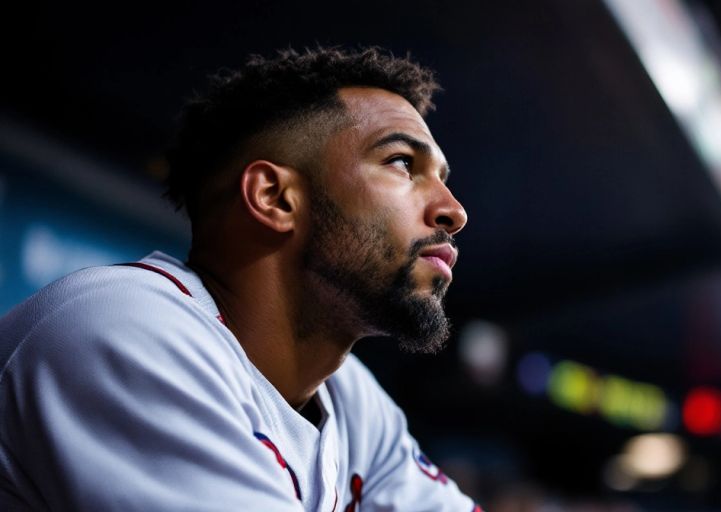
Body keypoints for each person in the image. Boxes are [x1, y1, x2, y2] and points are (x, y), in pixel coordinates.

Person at [0, 47, 482, 511]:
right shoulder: (123, 329)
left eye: (443, 177)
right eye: (402, 163)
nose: (454, 211)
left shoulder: (351, 397)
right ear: (273, 197)